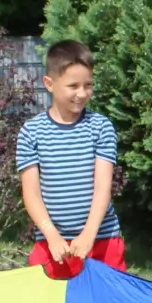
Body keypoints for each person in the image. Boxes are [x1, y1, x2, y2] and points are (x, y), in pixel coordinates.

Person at [16, 40, 127, 272]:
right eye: (73, 85)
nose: (82, 93)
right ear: (49, 83)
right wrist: (52, 236)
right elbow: (31, 193)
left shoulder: (101, 127)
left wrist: (89, 234)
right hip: (51, 245)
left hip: (101, 241)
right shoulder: (31, 132)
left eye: (88, 85)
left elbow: (102, 188)